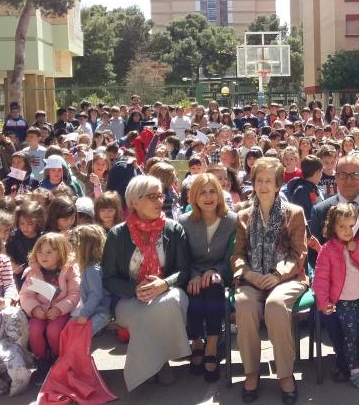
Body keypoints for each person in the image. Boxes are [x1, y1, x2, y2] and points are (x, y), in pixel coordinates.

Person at [102, 174, 191, 391]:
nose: (160, 201)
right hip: (129, 297)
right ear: (134, 202)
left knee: (166, 304)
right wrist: (134, 289)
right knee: (145, 312)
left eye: (160, 195)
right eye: (152, 196)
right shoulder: (117, 234)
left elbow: (184, 270)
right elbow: (109, 278)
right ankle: (160, 364)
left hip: (167, 292)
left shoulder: (173, 229)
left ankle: (152, 365)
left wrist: (164, 284)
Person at [231, 157, 308, 404]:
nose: (263, 186)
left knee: (275, 305)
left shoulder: (293, 213)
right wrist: (249, 274)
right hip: (253, 278)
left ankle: (285, 374)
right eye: (259, 181)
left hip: (287, 278)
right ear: (253, 183)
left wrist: (277, 275)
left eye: (269, 181)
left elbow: (299, 254)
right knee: (244, 304)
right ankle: (251, 372)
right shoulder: (243, 215)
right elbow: (238, 254)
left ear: (277, 185)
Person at [308, 155, 359, 382]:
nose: (350, 180)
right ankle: (344, 359)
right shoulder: (321, 209)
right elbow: (316, 259)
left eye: (355, 174)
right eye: (343, 175)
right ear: (335, 177)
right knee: (331, 307)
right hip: (336, 282)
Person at [313, 203, 359, 391]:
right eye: (342, 226)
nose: (347, 230)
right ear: (333, 227)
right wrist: (323, 302)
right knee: (350, 338)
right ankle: (355, 371)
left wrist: (355, 249)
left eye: (351, 226)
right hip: (343, 303)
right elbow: (321, 278)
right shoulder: (327, 250)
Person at [178, 173, 236, 382]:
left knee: (212, 287)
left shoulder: (231, 220)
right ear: (194, 196)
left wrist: (216, 271)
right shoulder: (184, 222)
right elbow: (181, 257)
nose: (208, 197)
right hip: (192, 273)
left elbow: (233, 256)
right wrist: (194, 275)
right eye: (202, 192)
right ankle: (196, 343)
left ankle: (211, 345)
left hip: (220, 273)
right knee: (195, 290)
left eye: (213, 191)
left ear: (219, 195)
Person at [20, 232, 80, 382]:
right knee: (34, 331)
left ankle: (58, 359)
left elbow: (74, 294)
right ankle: (42, 362)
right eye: (39, 252)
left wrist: (59, 308)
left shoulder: (69, 271)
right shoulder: (34, 272)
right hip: (40, 310)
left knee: (54, 331)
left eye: (49, 252)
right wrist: (35, 309)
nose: (43, 256)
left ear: (61, 253)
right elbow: (26, 295)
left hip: (60, 311)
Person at [71, 225, 111, 335]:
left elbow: (95, 295)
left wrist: (84, 314)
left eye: (74, 245)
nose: (73, 248)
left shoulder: (92, 270)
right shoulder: (89, 267)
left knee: (80, 335)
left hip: (101, 313)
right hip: (94, 310)